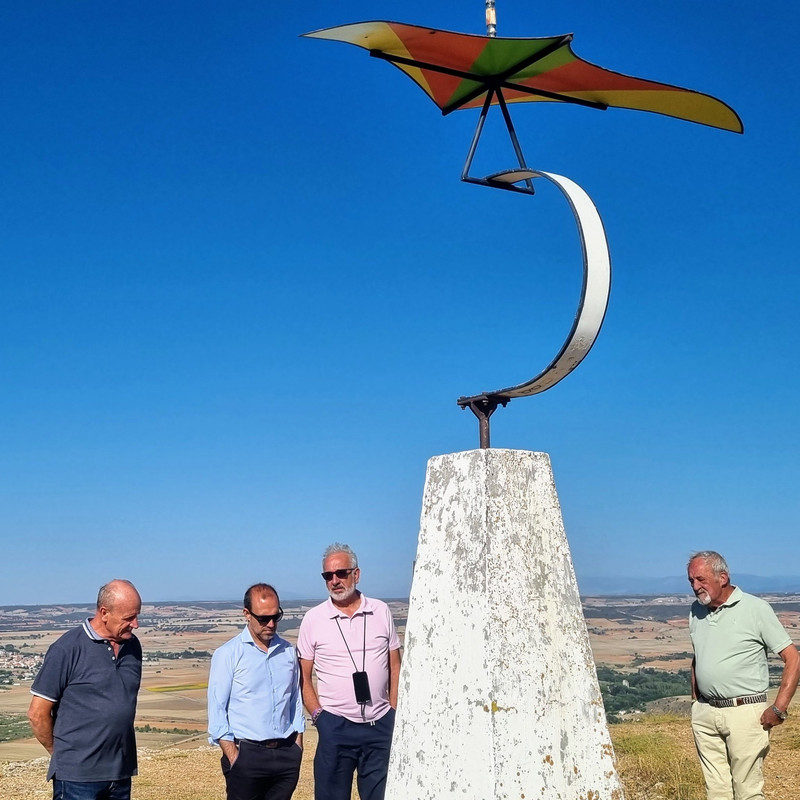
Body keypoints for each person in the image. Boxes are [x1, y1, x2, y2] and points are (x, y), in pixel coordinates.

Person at [687, 551, 800, 800]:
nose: (695, 587)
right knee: (716, 791)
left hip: (745, 712)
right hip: (706, 713)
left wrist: (779, 709)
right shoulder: (696, 611)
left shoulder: (756, 608)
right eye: (691, 581)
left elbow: (792, 657)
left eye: (701, 579)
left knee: (747, 791)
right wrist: (696, 699)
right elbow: (699, 655)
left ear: (723, 577)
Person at [298, 543, 402, 800]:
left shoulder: (381, 611)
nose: (334, 581)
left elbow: (395, 664)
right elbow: (303, 676)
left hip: (381, 724)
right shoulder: (313, 619)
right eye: (328, 576)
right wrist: (320, 717)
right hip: (336, 726)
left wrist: (394, 710)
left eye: (341, 573)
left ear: (356, 574)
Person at [27, 579, 143, 800]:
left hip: (120, 773)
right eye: (129, 618)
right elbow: (37, 714)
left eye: (137, 616)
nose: (136, 624)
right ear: (104, 612)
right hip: (76, 779)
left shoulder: (133, 646)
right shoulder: (67, 648)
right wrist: (63, 756)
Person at [207, 583, 304, 800]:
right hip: (247, 755)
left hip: (286, 753)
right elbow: (217, 710)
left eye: (276, 617)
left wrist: (297, 745)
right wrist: (234, 757)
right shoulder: (228, 654)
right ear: (246, 614)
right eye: (263, 618)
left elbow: (294, 700)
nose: (271, 624)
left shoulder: (289, 652)